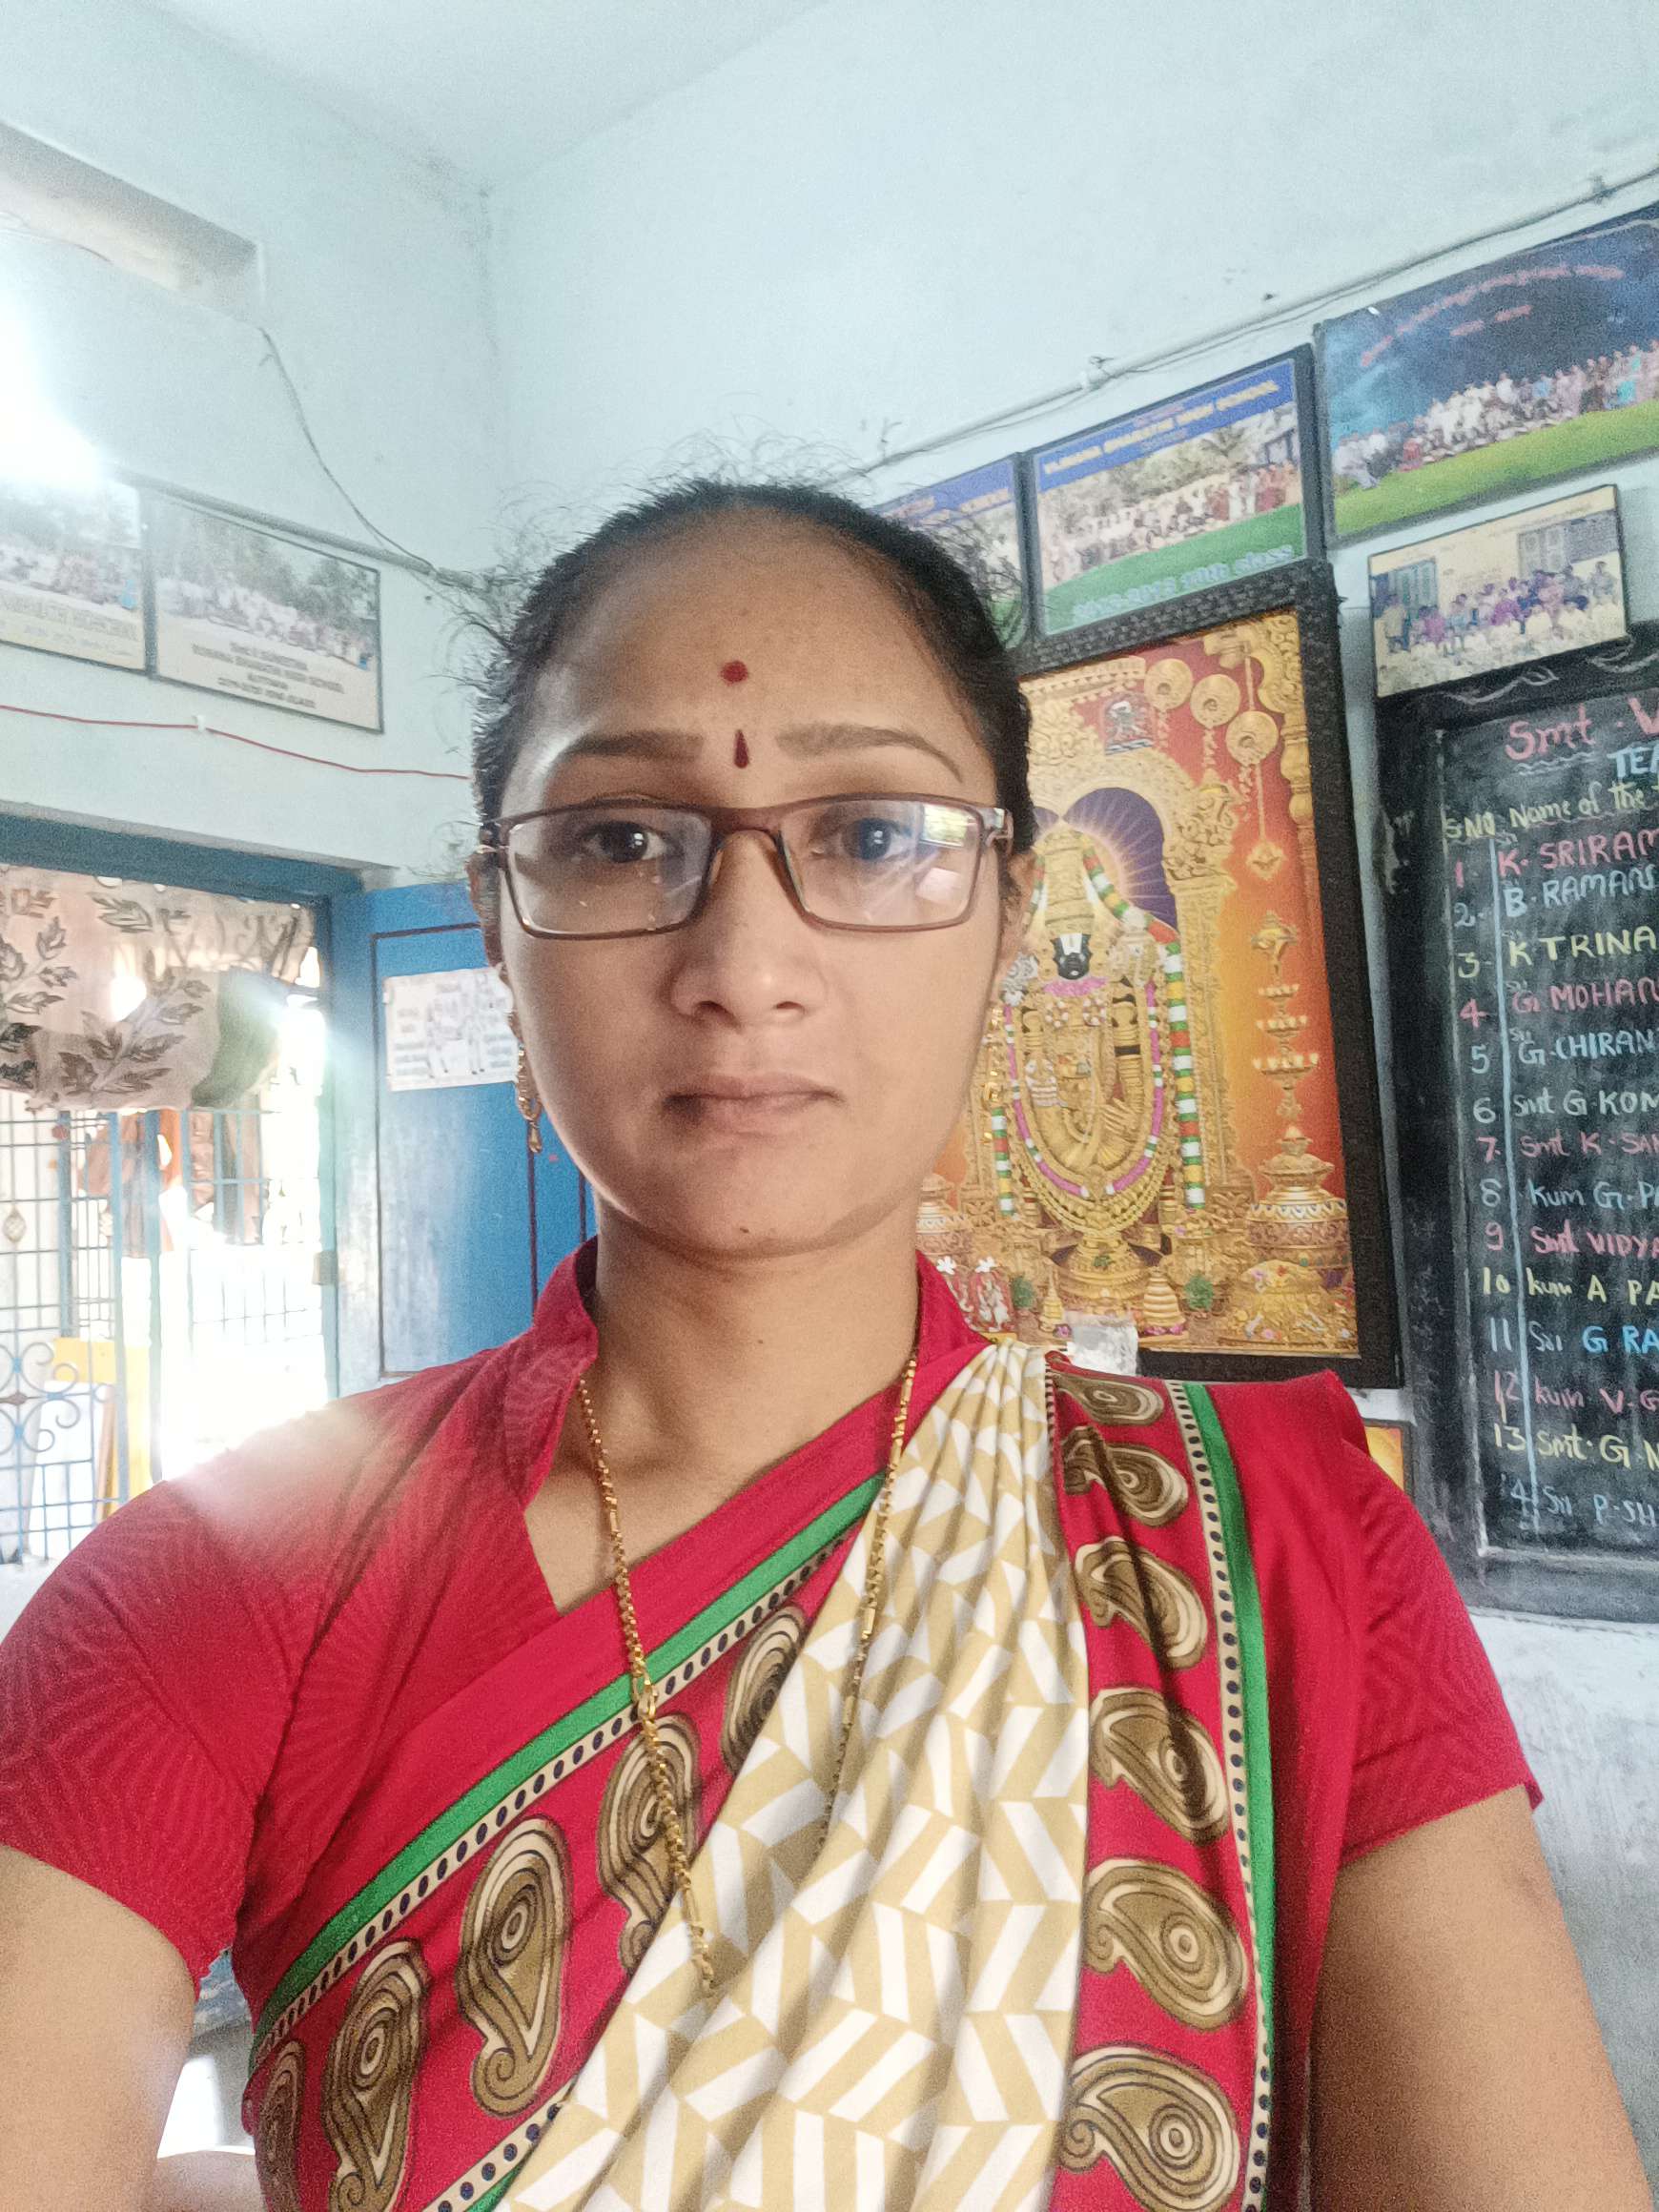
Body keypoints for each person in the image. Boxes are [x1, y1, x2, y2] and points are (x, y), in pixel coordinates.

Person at [0, 480, 1648, 2212]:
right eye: (622, 839)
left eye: (869, 833)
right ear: (495, 919)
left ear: (1011, 913)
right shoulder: (216, 1591)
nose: (745, 961)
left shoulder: (1288, 1560)